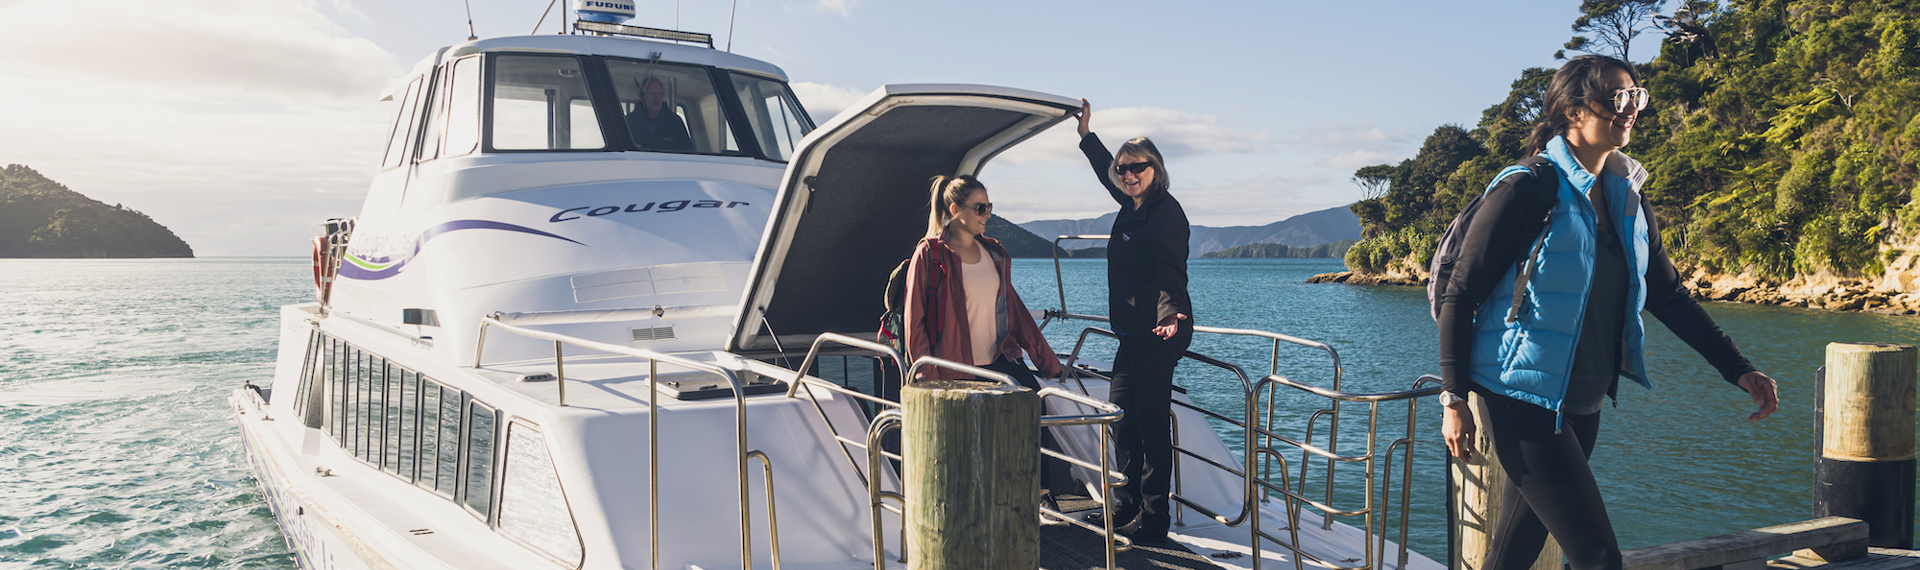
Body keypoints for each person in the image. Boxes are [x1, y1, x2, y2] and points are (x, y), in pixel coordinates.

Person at [1435, 55, 1781, 570]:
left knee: (1514, 550)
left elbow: (1668, 297)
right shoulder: (1528, 188)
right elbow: (1460, 293)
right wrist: (1453, 396)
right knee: (1598, 557)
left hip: (1585, 396)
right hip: (1520, 395)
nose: (1631, 109)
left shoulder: (1629, 199)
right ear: (1573, 111)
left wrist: (1739, 367)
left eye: (1636, 97)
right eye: (1618, 98)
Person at [901, 174, 1068, 506]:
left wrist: (1047, 362)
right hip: (953, 367)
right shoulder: (931, 254)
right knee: (967, 442)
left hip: (999, 360)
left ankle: (1041, 494)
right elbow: (914, 319)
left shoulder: (995, 253)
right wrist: (926, 374)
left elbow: (1016, 311)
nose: (987, 214)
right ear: (955, 209)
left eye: (989, 207)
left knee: (1035, 408)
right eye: (980, 207)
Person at [1073, 99, 1192, 543]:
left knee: (1150, 423)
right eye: (1123, 169)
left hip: (1162, 330)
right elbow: (1106, 167)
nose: (1127, 174)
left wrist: (1169, 315)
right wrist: (1086, 136)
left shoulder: (1166, 214)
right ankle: (1126, 506)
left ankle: (1155, 520)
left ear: (1155, 168)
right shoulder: (1130, 202)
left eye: (1136, 167)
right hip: (1133, 333)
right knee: (1123, 419)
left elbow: (1170, 271)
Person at [626, 77, 694, 152]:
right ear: (641, 97)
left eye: (659, 94)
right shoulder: (628, 123)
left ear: (663, 96)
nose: (656, 98)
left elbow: (688, 151)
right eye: (651, 94)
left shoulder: (674, 122)